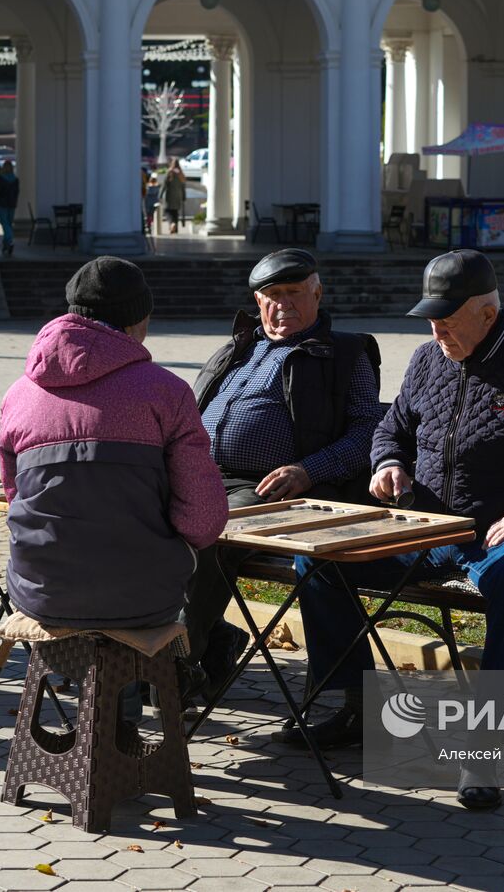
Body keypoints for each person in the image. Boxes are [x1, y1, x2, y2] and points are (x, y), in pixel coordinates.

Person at [289, 249, 504, 811]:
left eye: (447, 317)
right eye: (431, 315)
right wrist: (387, 464)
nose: (436, 327)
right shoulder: (427, 359)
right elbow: (391, 429)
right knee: (322, 560)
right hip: (424, 531)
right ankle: (353, 705)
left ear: (488, 314)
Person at [184, 248, 384, 699]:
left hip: (269, 489)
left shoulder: (345, 353)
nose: (283, 304)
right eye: (272, 295)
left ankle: (172, 670)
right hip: (199, 476)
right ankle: (212, 640)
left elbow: (369, 430)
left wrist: (309, 470)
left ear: (318, 293)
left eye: (294, 292)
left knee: (208, 537)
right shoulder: (237, 348)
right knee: (131, 527)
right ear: (258, 302)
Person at [0, 256, 228, 636]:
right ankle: (158, 680)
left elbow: (14, 494)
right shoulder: (166, 391)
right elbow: (202, 522)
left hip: (40, 593)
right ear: (138, 319)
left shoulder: (18, 395)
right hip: (145, 598)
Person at [0, 160, 20, 257]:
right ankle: (6, 244)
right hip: (12, 204)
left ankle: (9, 240)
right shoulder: (15, 180)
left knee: (5, 224)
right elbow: (17, 192)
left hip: (2, 204)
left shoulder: (1, 179)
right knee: (9, 223)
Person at [162, 159, 186, 234]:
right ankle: (175, 228)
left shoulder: (170, 172)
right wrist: (184, 197)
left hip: (170, 196)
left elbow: (164, 185)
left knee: (167, 211)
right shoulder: (181, 174)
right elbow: (183, 187)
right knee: (175, 213)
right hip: (178, 197)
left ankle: (172, 224)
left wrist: (160, 195)